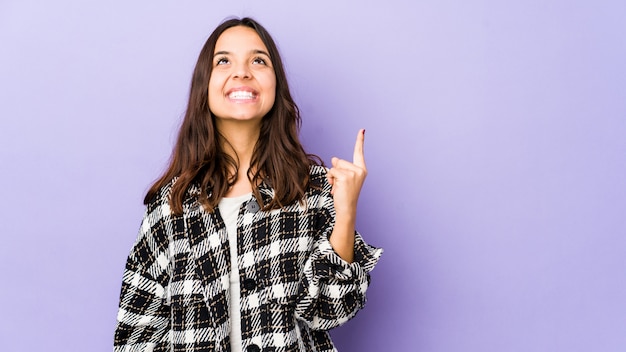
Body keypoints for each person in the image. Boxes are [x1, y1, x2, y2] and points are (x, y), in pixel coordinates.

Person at [113, 17, 382, 352]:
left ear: (275, 84)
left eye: (258, 60)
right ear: (205, 86)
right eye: (223, 61)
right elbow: (134, 333)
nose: (241, 72)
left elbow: (331, 310)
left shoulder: (311, 190)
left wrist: (346, 212)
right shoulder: (172, 205)